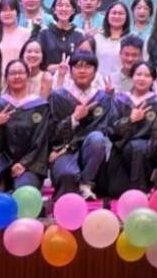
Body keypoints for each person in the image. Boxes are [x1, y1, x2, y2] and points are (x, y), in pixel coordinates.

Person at [0, 59, 50, 191]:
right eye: (12, 73)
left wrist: (24, 164)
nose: (17, 76)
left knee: (23, 189)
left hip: (30, 163)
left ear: (27, 76)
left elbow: (42, 140)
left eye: (21, 73)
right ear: (6, 78)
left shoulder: (40, 106)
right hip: (1, 158)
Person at [47, 51, 112, 199]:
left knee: (97, 138)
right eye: (77, 66)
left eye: (88, 67)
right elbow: (52, 133)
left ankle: (85, 184)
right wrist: (74, 118)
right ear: (70, 71)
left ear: (95, 72)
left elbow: (103, 130)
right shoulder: (58, 96)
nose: (82, 71)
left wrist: (69, 146)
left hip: (91, 153)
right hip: (64, 151)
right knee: (67, 175)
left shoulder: (102, 98)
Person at [104, 61, 157, 196]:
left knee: (138, 147)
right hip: (121, 150)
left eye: (147, 75)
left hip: (145, 154)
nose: (142, 78)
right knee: (116, 191)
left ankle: (141, 190)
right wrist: (130, 120)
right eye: (138, 74)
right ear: (132, 76)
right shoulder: (120, 99)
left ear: (153, 79)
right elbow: (111, 131)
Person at [38, 0, 83, 69]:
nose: (63, 9)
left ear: (73, 11)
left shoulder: (80, 34)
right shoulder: (44, 33)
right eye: (60, 5)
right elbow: (39, 62)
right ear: (54, 10)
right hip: (48, 75)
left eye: (67, 6)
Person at [94, 1, 133, 78]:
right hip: (99, 81)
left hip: (123, 82)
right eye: (114, 13)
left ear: (126, 17)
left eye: (121, 13)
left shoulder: (131, 39)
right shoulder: (97, 38)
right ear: (107, 15)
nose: (117, 16)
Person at [0, 0, 34, 65]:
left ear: (17, 13)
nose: (7, 13)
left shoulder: (27, 34)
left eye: (11, 10)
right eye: (4, 10)